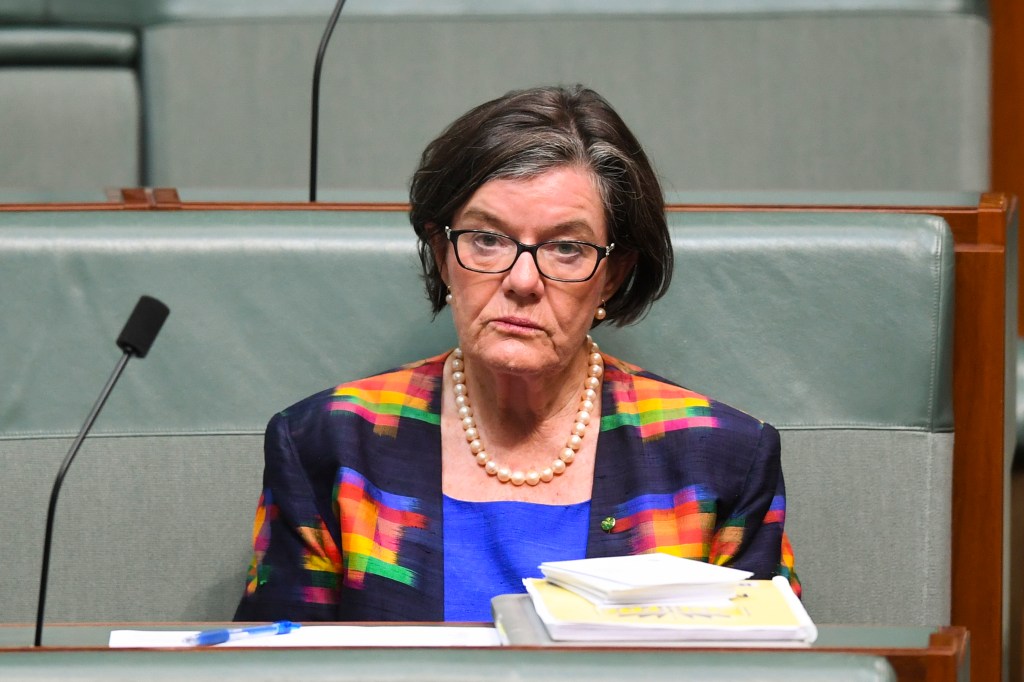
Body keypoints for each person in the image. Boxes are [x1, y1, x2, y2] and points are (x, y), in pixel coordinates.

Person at [234, 84, 798, 623]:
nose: (523, 280)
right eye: (488, 238)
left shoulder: (718, 460)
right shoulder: (332, 444)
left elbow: (776, 668)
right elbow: (274, 663)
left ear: (611, 276)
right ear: (442, 252)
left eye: (566, 248)